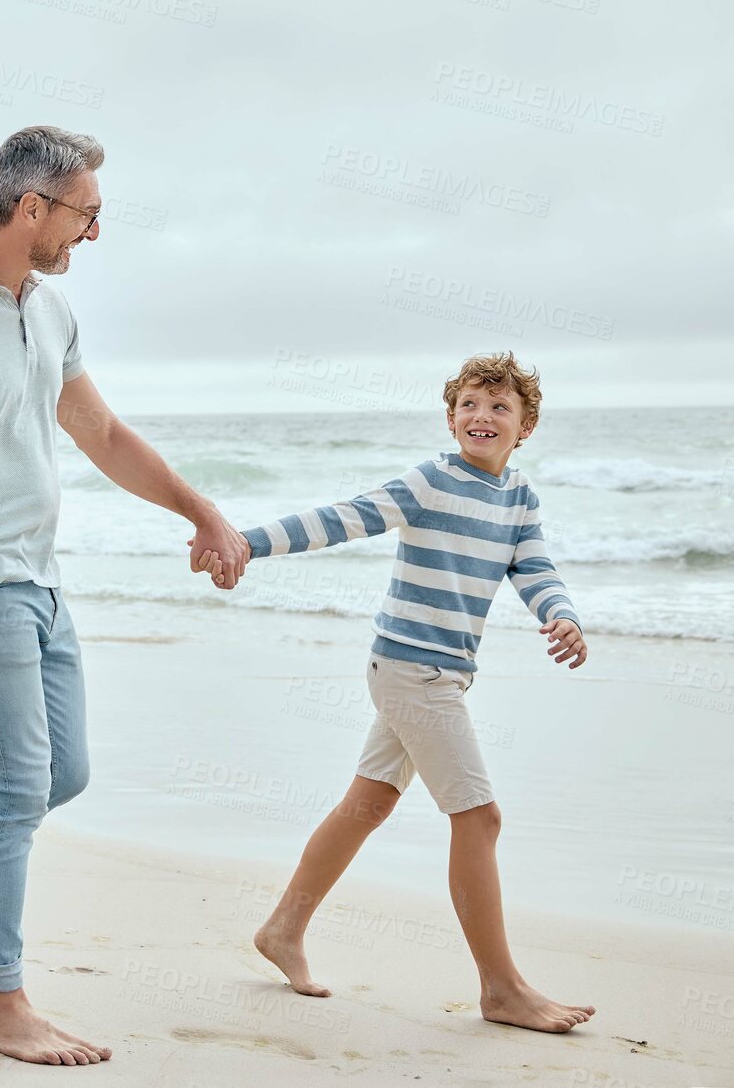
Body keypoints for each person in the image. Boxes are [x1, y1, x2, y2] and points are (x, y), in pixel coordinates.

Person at [0, 126, 250, 1066]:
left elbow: (99, 431)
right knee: (18, 788)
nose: (94, 232)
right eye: (87, 213)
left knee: (57, 775)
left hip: (38, 577)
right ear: (33, 208)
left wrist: (198, 507)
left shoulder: (48, 309)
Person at [226, 351, 596, 1033]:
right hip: (410, 673)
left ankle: (282, 929)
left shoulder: (518, 498)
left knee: (366, 804)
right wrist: (242, 542)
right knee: (478, 819)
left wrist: (561, 615)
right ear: (450, 416)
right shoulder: (431, 480)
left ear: (526, 426)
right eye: (469, 406)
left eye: (498, 408)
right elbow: (344, 517)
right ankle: (501, 989)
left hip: (437, 674)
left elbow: (535, 569)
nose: (481, 417)